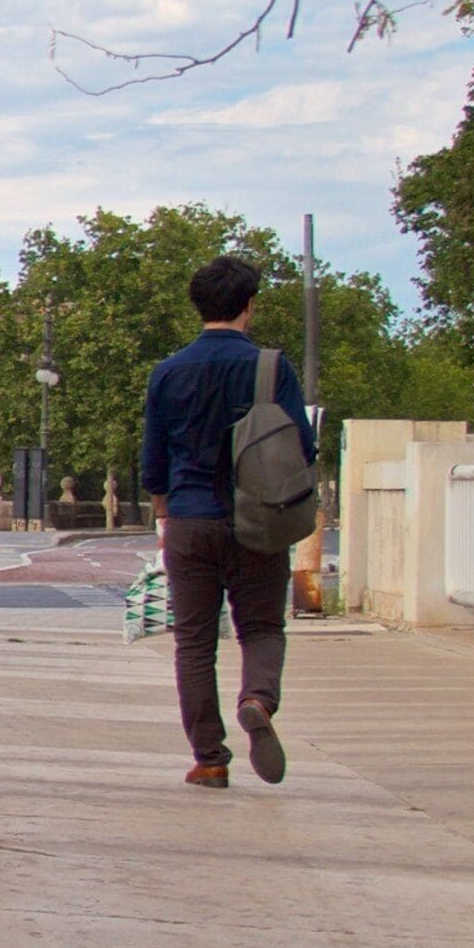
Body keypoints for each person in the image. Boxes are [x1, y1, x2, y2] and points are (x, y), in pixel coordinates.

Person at [139, 255, 313, 789]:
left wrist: (166, 509)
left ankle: (210, 758)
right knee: (261, 627)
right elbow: (301, 443)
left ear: (199, 306)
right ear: (249, 305)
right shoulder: (271, 367)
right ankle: (257, 698)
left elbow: (152, 460)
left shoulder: (168, 372)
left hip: (191, 521)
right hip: (258, 519)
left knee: (193, 643)